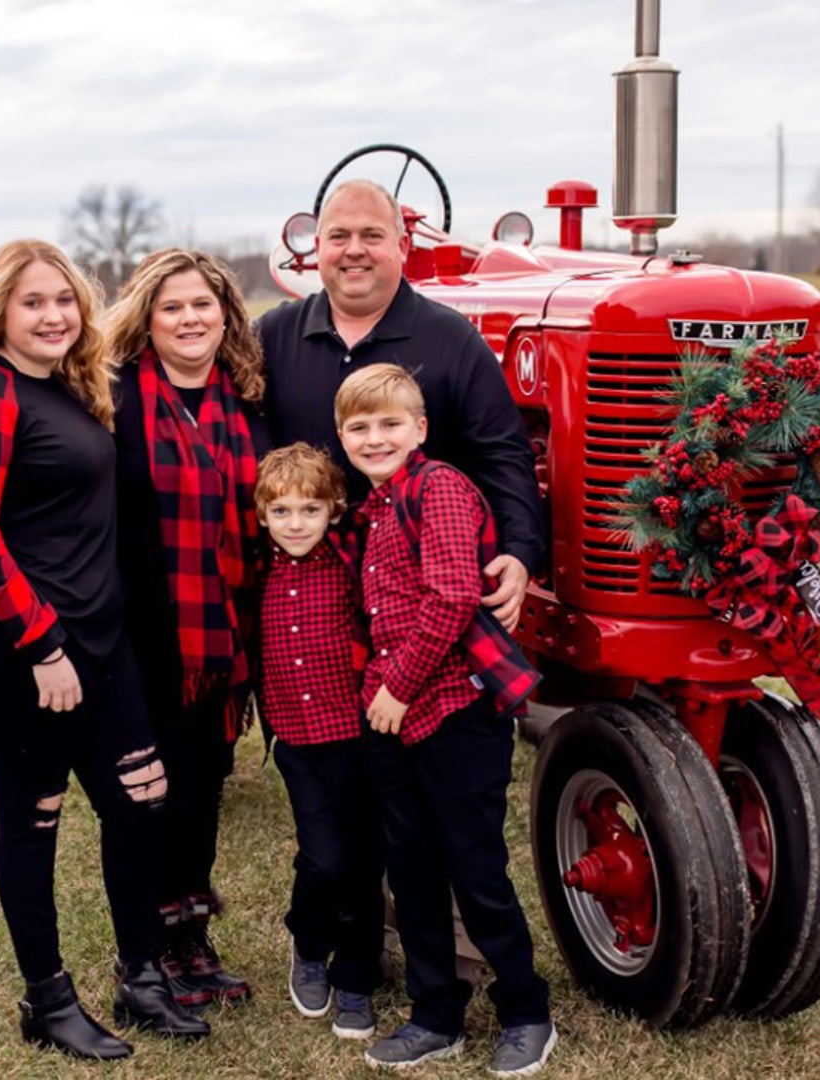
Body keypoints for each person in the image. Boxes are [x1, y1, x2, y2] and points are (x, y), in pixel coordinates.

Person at [0, 239, 208, 1061]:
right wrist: (42, 645)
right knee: (33, 816)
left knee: (142, 797)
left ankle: (141, 974)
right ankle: (47, 1001)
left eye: (64, 300)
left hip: (99, 634)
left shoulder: (73, 387)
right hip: (24, 646)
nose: (53, 315)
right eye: (32, 301)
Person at [334, 364, 555, 1076]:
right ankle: (436, 1013)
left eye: (390, 423)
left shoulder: (443, 490)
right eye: (359, 427)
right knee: (414, 872)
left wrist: (397, 685)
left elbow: (454, 596)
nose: (375, 438)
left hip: (454, 712)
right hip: (390, 719)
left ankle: (526, 1010)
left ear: (420, 428)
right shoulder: (372, 508)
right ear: (342, 437)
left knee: (475, 870)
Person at [254, 179, 545, 631]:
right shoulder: (272, 337)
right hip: (306, 600)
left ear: (402, 245)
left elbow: (502, 453)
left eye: (372, 236)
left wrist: (520, 551)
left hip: (422, 602)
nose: (355, 250)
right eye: (339, 236)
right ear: (316, 248)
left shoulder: (453, 340)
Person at [106, 247, 270, 1009]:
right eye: (171, 307)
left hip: (225, 641)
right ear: (147, 318)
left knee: (205, 791)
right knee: (151, 796)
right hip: (142, 636)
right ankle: (143, 951)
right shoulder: (112, 400)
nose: (189, 318)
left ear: (225, 314)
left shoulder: (247, 402)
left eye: (202, 305)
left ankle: (190, 939)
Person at [252, 442, 385, 1041]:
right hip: (297, 744)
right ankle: (308, 944)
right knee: (324, 856)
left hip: (356, 738)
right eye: (281, 512)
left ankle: (356, 977)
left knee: (364, 860)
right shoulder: (258, 573)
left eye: (309, 509)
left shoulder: (351, 566)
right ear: (262, 516)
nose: (296, 524)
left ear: (334, 509)